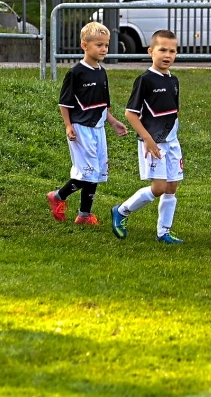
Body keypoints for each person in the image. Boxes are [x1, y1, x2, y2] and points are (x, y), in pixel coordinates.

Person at [48, 22, 129, 225]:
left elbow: (103, 104)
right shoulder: (76, 73)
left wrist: (113, 122)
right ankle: (58, 196)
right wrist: (68, 126)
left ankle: (84, 215)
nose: (103, 49)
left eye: (106, 45)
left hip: (98, 129)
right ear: (85, 45)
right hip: (80, 128)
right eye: (99, 45)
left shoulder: (102, 72)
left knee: (98, 172)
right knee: (86, 173)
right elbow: (64, 103)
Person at [111, 30, 185, 244]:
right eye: (162, 50)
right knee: (159, 188)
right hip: (152, 143)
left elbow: (173, 112)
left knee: (171, 187)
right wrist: (147, 139)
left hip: (172, 142)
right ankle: (122, 211)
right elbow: (130, 114)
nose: (167, 55)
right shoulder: (145, 80)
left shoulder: (174, 80)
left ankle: (164, 232)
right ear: (151, 51)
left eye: (172, 51)